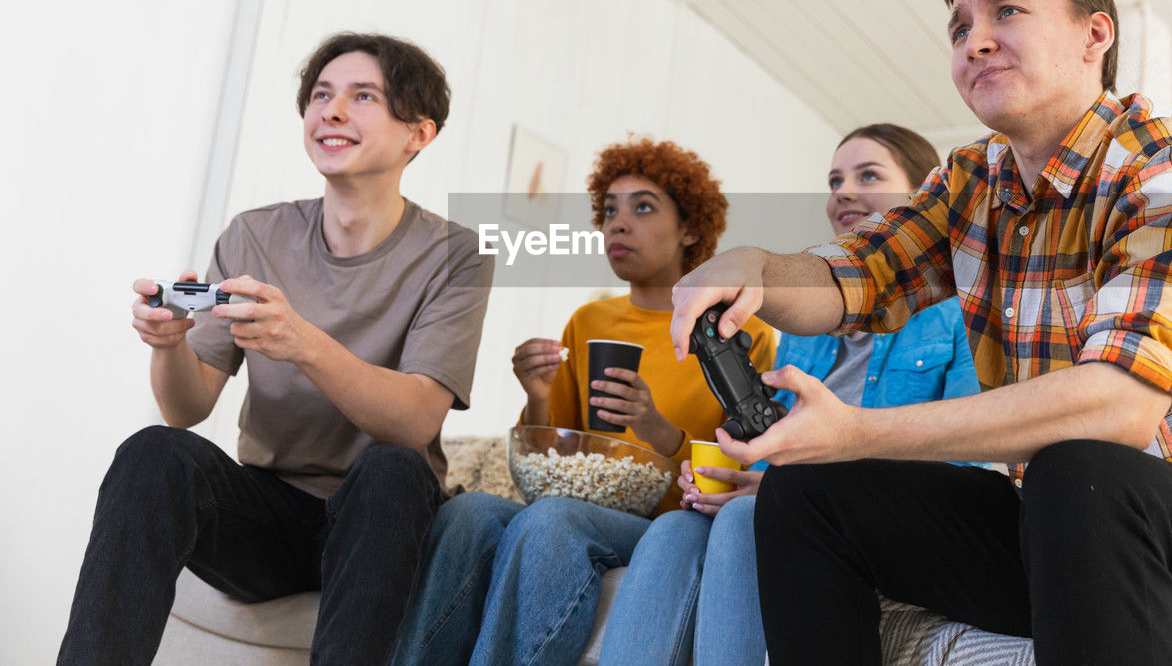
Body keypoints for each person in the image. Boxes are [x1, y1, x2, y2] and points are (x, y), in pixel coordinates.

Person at [670, 0, 1172, 664]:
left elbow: (1121, 403)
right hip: (1056, 537)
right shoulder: (972, 181)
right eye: (961, 27)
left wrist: (857, 433)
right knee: (804, 495)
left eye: (1007, 13)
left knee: (1076, 464)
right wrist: (754, 267)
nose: (976, 40)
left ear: (1095, 35)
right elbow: (853, 276)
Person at [58, 33, 494, 665]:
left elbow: (417, 420)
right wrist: (168, 344)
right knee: (154, 452)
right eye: (321, 95)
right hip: (269, 513)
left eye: (362, 96)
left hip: (381, 519)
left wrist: (304, 343)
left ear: (418, 134)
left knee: (393, 470)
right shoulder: (255, 234)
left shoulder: (456, 255)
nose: (332, 111)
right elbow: (187, 408)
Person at [599, 125, 979, 666]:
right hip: (793, 503)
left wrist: (778, 487)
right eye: (834, 180)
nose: (843, 191)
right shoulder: (802, 332)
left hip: (891, 517)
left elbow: (974, 461)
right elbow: (773, 440)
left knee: (745, 519)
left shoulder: (964, 317)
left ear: (924, 197)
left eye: (868, 175)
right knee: (674, 529)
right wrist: (734, 475)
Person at [393, 137, 775, 666]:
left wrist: (653, 425)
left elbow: (739, 471)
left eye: (643, 207)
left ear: (690, 228)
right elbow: (558, 460)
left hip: (671, 522)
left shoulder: (739, 332)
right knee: (468, 513)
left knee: (553, 521)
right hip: (582, 507)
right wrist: (540, 395)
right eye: (609, 210)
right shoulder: (589, 323)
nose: (618, 223)